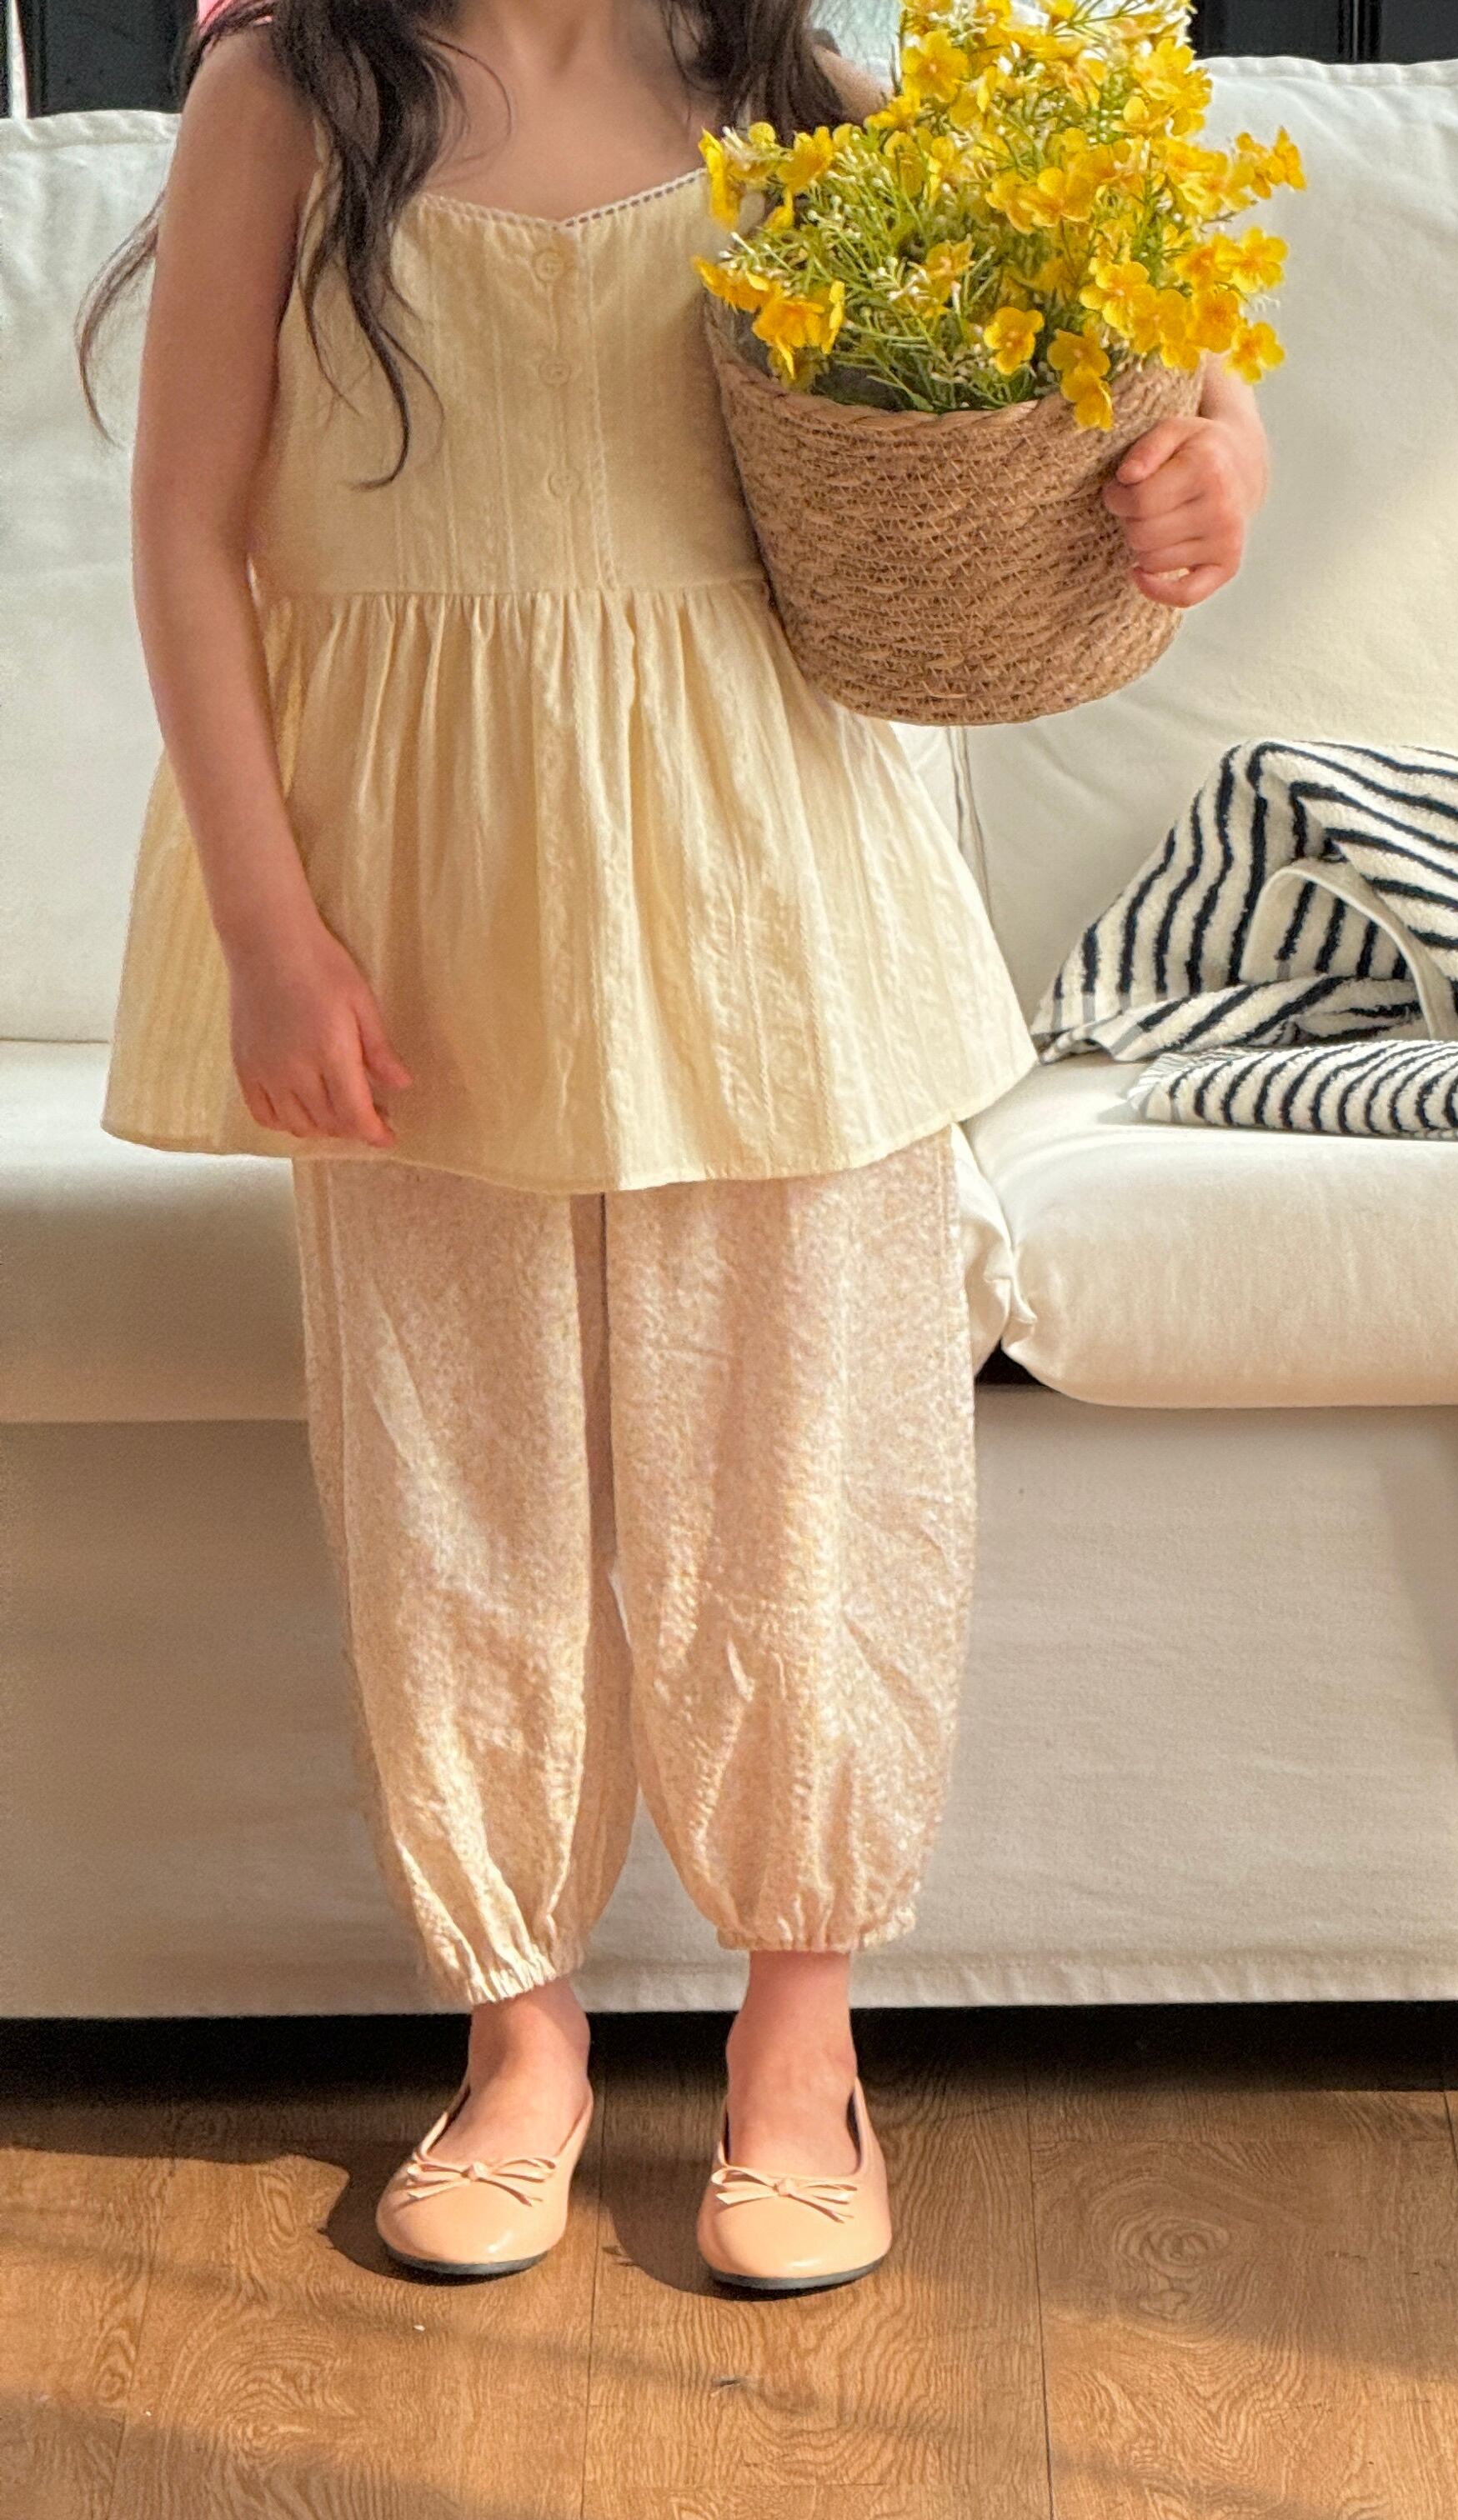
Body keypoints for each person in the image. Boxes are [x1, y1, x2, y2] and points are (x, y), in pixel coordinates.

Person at [80, 0, 1270, 2292]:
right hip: (417, 889)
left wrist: (1217, 469)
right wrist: (266, 926)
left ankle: (799, 2047)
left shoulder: (794, 95)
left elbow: (1159, 383)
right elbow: (188, 533)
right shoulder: (289, 95)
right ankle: (516, 2039)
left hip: (774, 886)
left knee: (802, 1459)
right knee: (457, 1478)